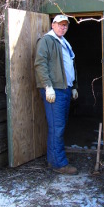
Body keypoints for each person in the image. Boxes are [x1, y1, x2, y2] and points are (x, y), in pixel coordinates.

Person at [34, 14, 79, 175]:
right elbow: (40, 64)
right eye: (60, 24)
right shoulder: (46, 41)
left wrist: (73, 86)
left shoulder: (64, 42)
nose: (63, 27)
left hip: (64, 89)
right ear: (53, 25)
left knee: (59, 126)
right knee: (57, 127)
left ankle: (53, 160)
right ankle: (59, 164)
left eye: (65, 25)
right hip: (55, 90)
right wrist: (48, 87)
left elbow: (70, 65)